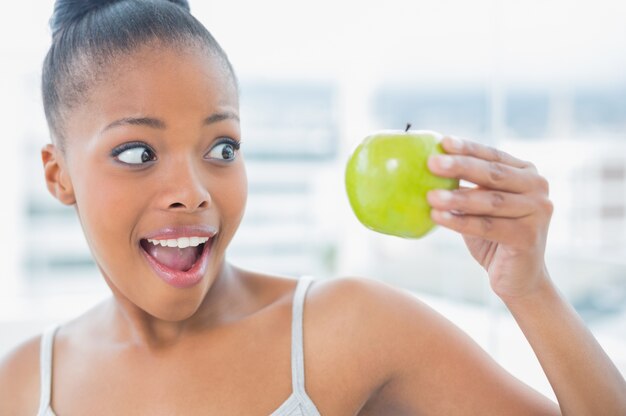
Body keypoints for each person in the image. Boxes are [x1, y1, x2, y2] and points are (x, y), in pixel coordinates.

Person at [1, 0, 625, 414]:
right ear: (59, 175)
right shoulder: (22, 385)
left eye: (222, 147)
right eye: (137, 153)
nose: (192, 191)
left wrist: (532, 289)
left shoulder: (348, 329)